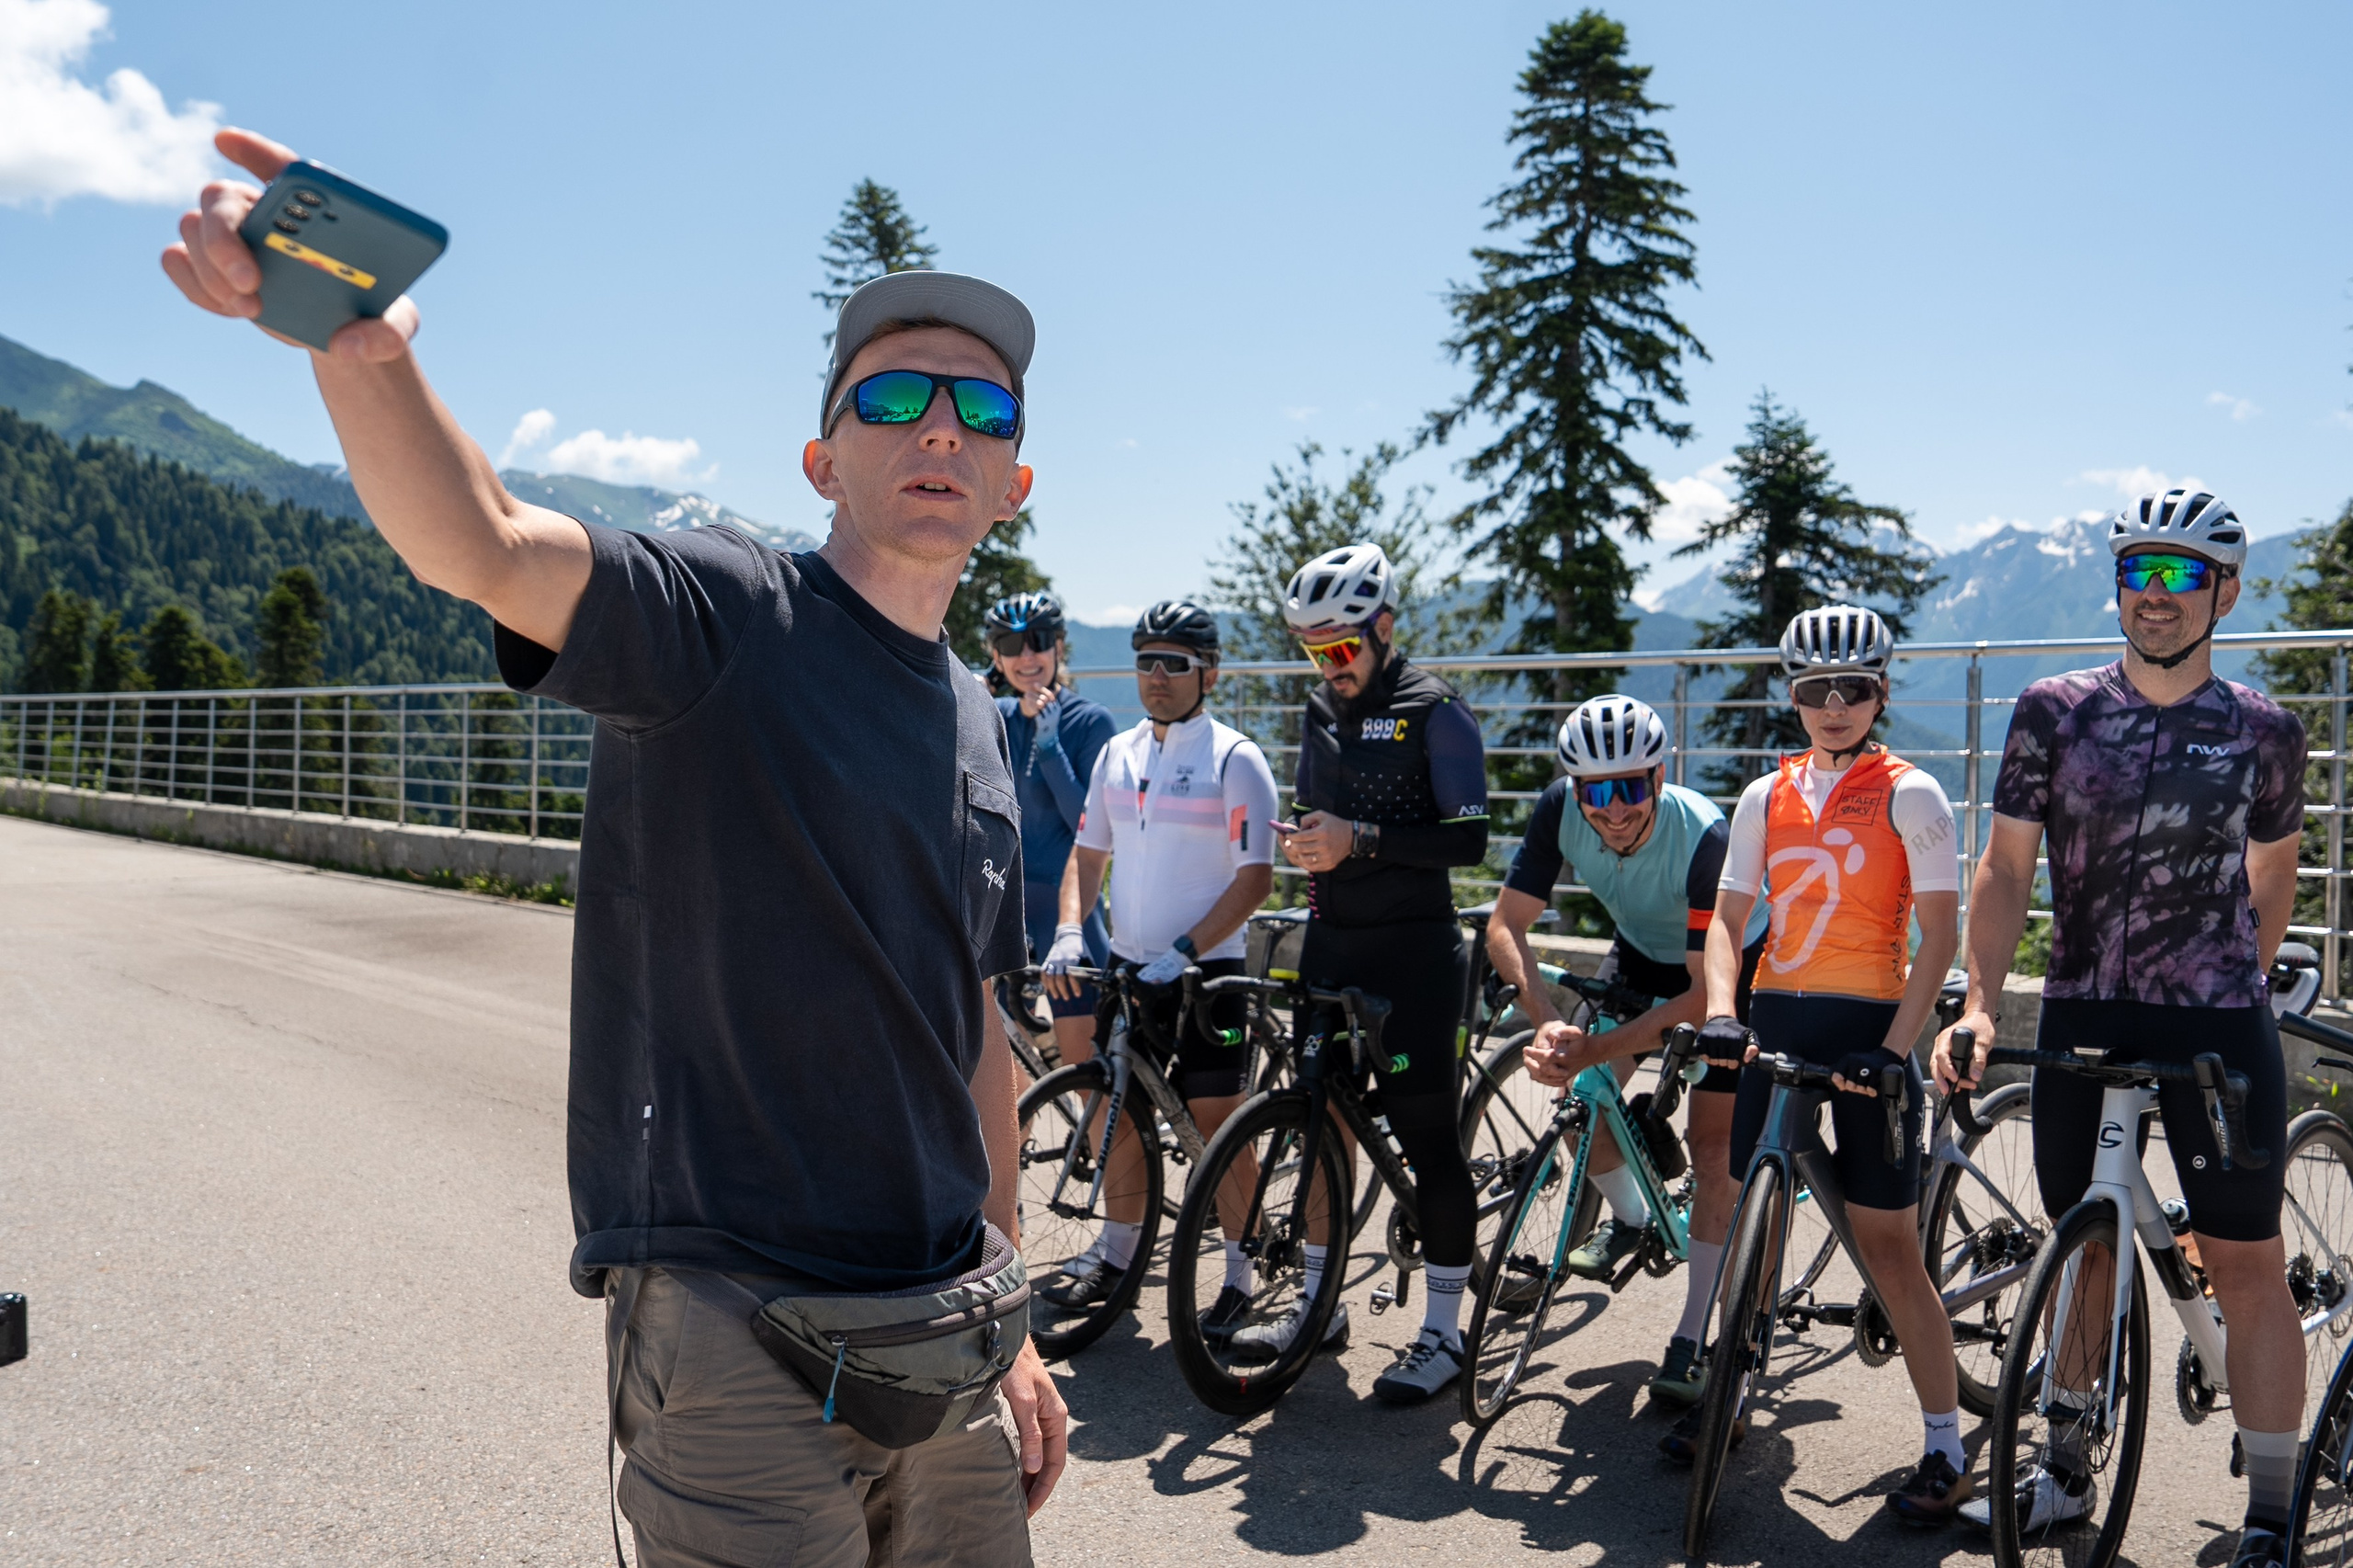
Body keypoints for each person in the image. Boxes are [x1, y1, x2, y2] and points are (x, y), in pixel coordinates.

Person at [161, 130, 1066, 1565]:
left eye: (983, 407)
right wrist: (360, 349)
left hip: (946, 1336)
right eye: (896, 396)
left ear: (1015, 480)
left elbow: (972, 1030)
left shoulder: (977, 723)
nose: (942, 426)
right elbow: (488, 542)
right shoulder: (724, 614)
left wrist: (1009, 1307)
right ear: (826, 460)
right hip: (732, 1328)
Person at [1934, 490, 2306, 1566]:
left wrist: (2235, 975)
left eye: (2180, 573)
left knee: (2245, 1261)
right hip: (2082, 1008)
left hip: (2212, 1020)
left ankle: (2271, 1513)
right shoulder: (2053, 710)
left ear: (2224, 592)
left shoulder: (2264, 730)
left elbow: (2269, 882)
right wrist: (1972, 999)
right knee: (2082, 1243)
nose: (2153, 593)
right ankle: (2060, 1470)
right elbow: (2005, 871)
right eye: (2138, 568)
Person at [1666, 605, 1973, 1526]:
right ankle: (1729, 1388)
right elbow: (1726, 923)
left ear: (1881, 691)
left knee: (1886, 1246)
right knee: (1755, 1198)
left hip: (1867, 1031)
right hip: (1773, 1021)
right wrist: (1721, 1011)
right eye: (1813, 690)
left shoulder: (1910, 791)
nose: (1833, 705)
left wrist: (1892, 1050)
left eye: (1853, 689)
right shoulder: (1766, 795)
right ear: (1792, 695)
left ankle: (1945, 1441)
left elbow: (1941, 933)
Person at [1236, 542, 1490, 1404]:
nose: (1328, 666)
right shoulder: (1319, 708)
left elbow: (1469, 840)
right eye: (1311, 649)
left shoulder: (1437, 711)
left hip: (1415, 957)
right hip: (1333, 944)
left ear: (1384, 626)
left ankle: (1445, 1333)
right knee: (1317, 1132)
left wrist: (1362, 841)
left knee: (1428, 1143)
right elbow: (1322, 817)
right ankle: (1318, 1302)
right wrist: (1309, 843)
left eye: (1340, 647)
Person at [1485, 694, 1771, 1407]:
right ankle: (1635, 1222)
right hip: (1644, 955)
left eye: (1631, 788)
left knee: (1713, 1157)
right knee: (1585, 1110)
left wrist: (1597, 1045)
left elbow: (1706, 994)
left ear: (1660, 776)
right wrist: (1549, 1022)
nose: (1614, 810)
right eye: (1596, 792)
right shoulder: (1558, 809)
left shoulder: (1706, 835)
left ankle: (1693, 1336)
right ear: (1575, 788)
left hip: (1734, 969)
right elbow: (1505, 925)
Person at [1040, 601, 1279, 1323]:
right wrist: (1068, 930)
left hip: (1208, 973)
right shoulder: (1120, 753)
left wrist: (1186, 953)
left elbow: (1256, 879)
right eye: (1146, 661)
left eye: (1175, 663)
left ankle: (1245, 1272)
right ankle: (1117, 1252)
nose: (1158, 676)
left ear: (1210, 671)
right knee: (1115, 1112)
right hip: (1129, 968)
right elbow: (1087, 856)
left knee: (1215, 1124)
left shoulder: (1236, 758)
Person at [987, 590, 1115, 1071]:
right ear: (995, 655)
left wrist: (1051, 744)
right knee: (1011, 1088)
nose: (1027, 656)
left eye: (1038, 641)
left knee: (1089, 1081)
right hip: (1004, 914)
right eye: (1011, 644)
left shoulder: (1089, 721)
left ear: (1058, 646)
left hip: (1069, 915)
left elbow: (1088, 821)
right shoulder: (994, 716)